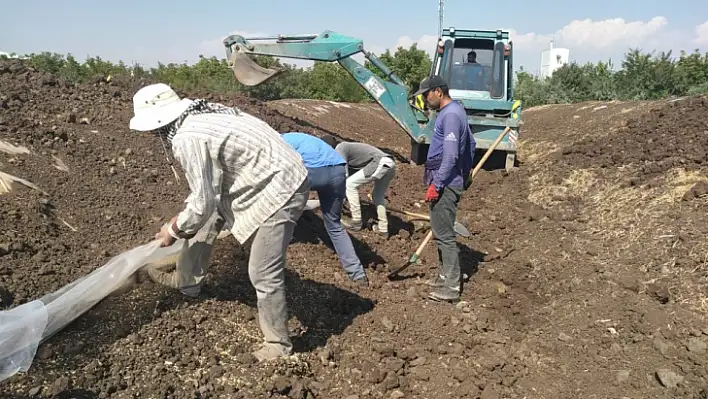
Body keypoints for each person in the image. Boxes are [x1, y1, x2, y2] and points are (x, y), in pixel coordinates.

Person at [129, 83, 310, 362]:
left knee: (262, 272)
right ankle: (187, 281)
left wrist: (173, 231)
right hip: (267, 176)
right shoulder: (208, 114)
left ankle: (277, 346)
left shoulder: (188, 137)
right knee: (207, 218)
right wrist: (185, 218)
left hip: (280, 188)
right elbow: (205, 196)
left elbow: (203, 201)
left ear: (157, 124)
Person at [412, 75, 475, 302]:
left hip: (446, 183)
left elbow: (450, 155)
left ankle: (451, 287)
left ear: (438, 91)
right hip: (448, 180)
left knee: (445, 235)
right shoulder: (455, 111)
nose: (426, 100)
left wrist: (436, 185)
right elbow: (471, 144)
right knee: (439, 233)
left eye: (427, 95)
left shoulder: (450, 116)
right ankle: (443, 275)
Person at [280, 132, 369, 286]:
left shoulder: (276, 141)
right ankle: (357, 274)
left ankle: (275, 261)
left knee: (284, 213)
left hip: (313, 171)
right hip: (338, 171)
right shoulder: (302, 138)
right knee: (334, 225)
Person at [320, 135, 396, 237]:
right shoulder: (347, 150)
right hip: (390, 163)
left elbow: (343, 175)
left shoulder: (340, 148)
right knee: (377, 196)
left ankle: (356, 222)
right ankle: (383, 229)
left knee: (350, 184)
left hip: (380, 162)